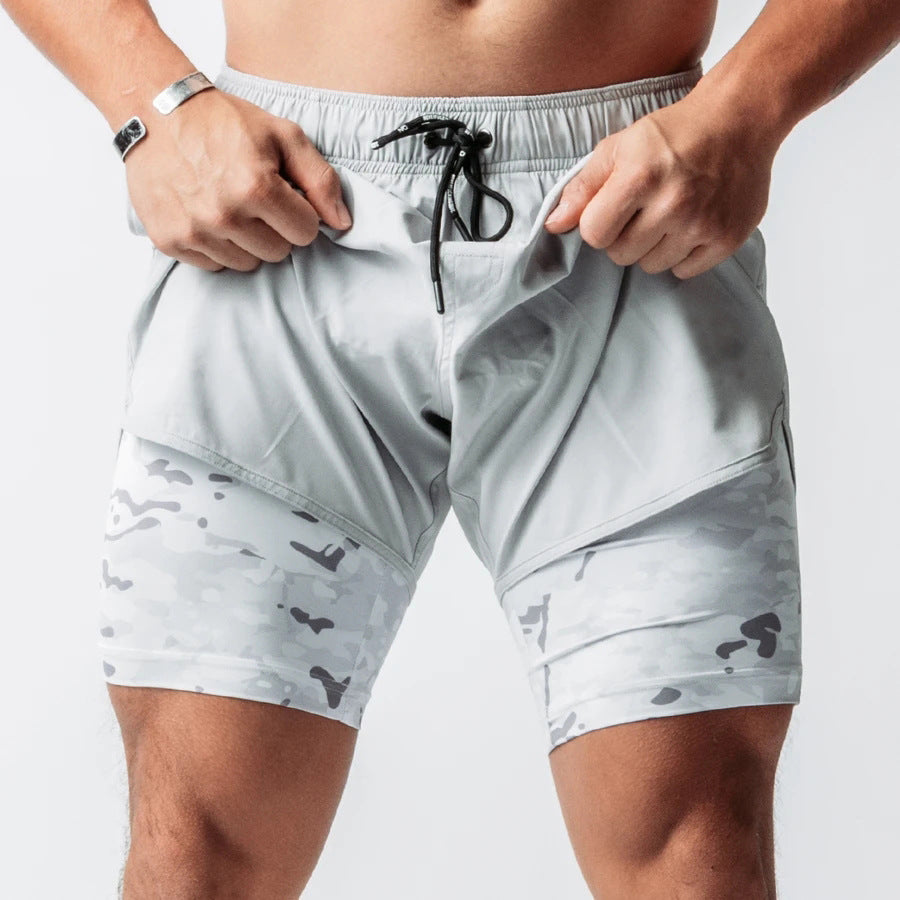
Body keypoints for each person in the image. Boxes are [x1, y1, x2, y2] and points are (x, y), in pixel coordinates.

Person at [3, 0, 897, 896]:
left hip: (630, 213)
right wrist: (151, 104)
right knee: (197, 854)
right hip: (278, 213)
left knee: (693, 855)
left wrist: (747, 110)